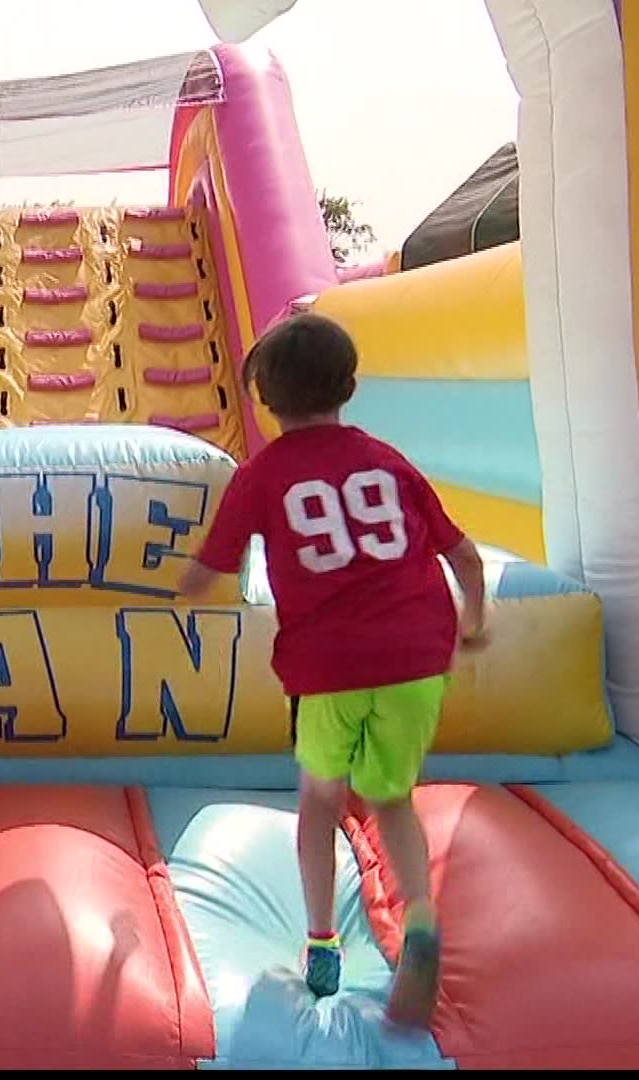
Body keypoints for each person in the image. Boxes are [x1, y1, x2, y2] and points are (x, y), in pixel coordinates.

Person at [177, 312, 487, 1029]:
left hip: (331, 664)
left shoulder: (263, 476)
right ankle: (421, 920)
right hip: (417, 654)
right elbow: (465, 558)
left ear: (264, 399)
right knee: (391, 797)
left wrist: (165, 584)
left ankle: (321, 941)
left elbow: (209, 573)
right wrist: (474, 623)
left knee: (321, 799)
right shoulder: (387, 459)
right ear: (349, 385)